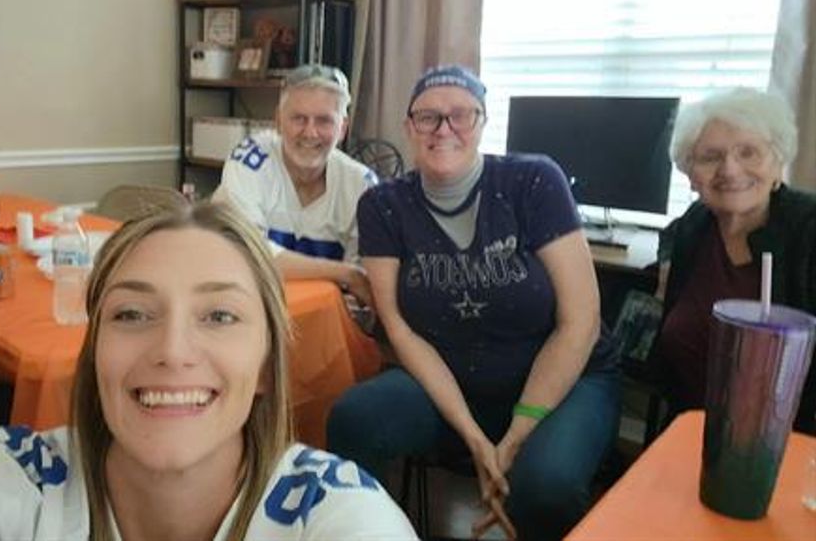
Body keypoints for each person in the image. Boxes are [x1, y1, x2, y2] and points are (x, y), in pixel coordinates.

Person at [0, 202, 418, 540]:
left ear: (266, 368)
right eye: (132, 314)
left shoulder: (334, 511)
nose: (172, 350)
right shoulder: (22, 480)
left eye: (220, 316)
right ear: (94, 355)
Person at [326, 65, 621, 541]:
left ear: (483, 121)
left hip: (564, 381)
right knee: (353, 418)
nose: (444, 129)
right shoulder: (383, 205)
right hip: (449, 381)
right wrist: (474, 437)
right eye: (428, 117)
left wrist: (516, 436)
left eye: (461, 115)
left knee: (546, 487)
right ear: (408, 127)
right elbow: (399, 329)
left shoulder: (534, 181)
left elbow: (581, 322)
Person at [654, 87, 816, 435]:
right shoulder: (696, 225)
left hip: (791, 443)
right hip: (689, 428)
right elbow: (670, 234)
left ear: (778, 162)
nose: (729, 170)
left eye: (748, 152)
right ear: (690, 174)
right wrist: (666, 261)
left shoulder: (808, 229)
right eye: (710, 157)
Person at [212, 64, 378, 307]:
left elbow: (362, 288)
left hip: (322, 317)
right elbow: (246, 254)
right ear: (278, 121)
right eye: (298, 118)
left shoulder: (361, 185)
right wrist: (343, 273)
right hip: (251, 310)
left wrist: (352, 279)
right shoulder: (250, 161)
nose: (310, 133)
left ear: (342, 128)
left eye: (324, 121)